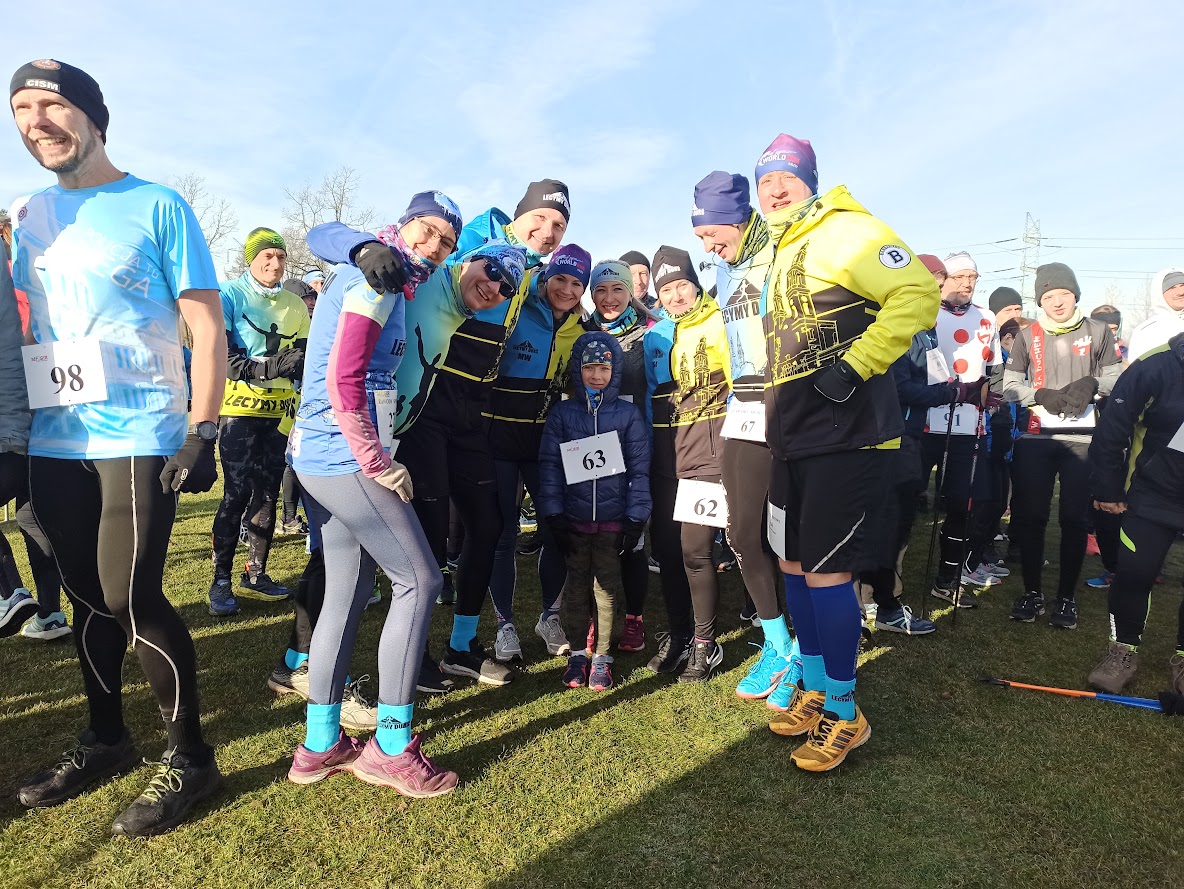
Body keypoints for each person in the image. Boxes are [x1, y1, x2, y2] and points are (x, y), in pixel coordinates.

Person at [9, 59, 224, 834]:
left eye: (52, 105)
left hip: (140, 432)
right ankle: (106, 736)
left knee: (132, 596)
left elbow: (206, 327)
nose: (36, 122)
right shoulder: (26, 215)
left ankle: (191, 756)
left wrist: (204, 428)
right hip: (52, 436)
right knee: (86, 598)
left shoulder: (159, 204)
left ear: (94, 118)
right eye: (21, 109)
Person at [757, 132, 939, 770]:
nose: (775, 190)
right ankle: (813, 687)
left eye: (787, 177)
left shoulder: (848, 229)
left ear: (810, 180)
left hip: (848, 435)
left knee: (827, 573)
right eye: (765, 180)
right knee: (792, 564)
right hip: (793, 437)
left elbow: (917, 294)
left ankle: (843, 711)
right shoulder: (781, 248)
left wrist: (856, 365)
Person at [285, 191, 463, 797]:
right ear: (403, 224)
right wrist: (376, 460)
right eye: (426, 231)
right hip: (346, 457)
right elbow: (345, 377)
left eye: (446, 241)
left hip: (321, 457)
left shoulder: (390, 280)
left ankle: (319, 741)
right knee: (420, 580)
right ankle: (390, 746)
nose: (433, 246)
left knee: (348, 589)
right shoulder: (377, 281)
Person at [308, 217, 529, 688]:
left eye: (507, 287)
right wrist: (363, 248)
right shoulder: (419, 276)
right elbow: (320, 234)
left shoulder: (454, 299)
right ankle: (303, 661)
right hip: (352, 439)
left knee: (366, 571)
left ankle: (454, 649)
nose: (494, 287)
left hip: (394, 432)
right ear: (467, 260)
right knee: (383, 567)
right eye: (491, 271)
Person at [689, 170, 801, 701]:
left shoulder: (779, 252)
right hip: (743, 409)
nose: (708, 246)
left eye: (713, 233)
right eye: (700, 237)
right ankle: (777, 645)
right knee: (740, 535)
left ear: (739, 219)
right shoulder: (723, 270)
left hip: (790, 408)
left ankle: (807, 652)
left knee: (792, 539)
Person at [1003, 262, 1122, 628]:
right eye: (1049, 296)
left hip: (1082, 439)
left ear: (1075, 295)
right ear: (1040, 300)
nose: (1057, 302)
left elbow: (1116, 378)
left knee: (1073, 518)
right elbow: (1009, 385)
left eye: (1064, 294)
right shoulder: (1028, 335)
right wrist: (1039, 393)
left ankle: (1066, 598)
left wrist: (1093, 384)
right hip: (1036, 437)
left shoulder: (1097, 331)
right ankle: (1032, 592)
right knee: (1032, 516)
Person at [486, 244, 590, 662]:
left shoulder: (581, 330)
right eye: (559, 278)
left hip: (545, 444)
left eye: (576, 283)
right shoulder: (517, 310)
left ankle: (550, 617)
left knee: (555, 530)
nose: (566, 289)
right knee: (503, 533)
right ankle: (504, 625)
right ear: (545, 278)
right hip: (498, 439)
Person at [538, 331, 651, 690]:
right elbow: (550, 467)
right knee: (575, 589)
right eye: (589, 368)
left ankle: (602, 656)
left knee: (606, 590)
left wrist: (635, 517)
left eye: (604, 368)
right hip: (573, 520)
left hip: (613, 521)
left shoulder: (628, 415)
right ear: (578, 370)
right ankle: (576, 654)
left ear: (615, 371)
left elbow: (639, 470)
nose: (597, 375)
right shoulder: (562, 414)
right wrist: (553, 514)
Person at [208, 229, 310, 614]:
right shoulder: (229, 294)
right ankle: (220, 581)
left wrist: (295, 364)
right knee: (235, 494)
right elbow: (223, 356)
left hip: (280, 415)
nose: (275, 263)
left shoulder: (295, 304)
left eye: (280, 257)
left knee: (268, 494)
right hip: (239, 412)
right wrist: (269, 368)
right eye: (267, 256)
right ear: (250, 259)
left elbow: (304, 354)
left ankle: (256, 573)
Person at [643, 246, 732, 682]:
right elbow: (650, 398)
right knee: (666, 551)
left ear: (695, 285)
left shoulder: (719, 321)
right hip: (665, 462)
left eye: (682, 285)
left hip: (708, 458)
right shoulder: (655, 336)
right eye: (666, 289)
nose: (675, 296)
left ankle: (704, 642)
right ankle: (678, 634)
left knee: (696, 551)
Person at [856, 254, 952, 636]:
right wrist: (948, 393)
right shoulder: (895, 323)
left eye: (940, 287)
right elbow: (898, 388)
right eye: (933, 285)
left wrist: (948, 389)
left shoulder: (927, 330)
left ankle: (885, 603)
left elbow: (924, 379)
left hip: (911, 436)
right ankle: (869, 603)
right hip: (885, 438)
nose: (937, 294)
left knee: (899, 524)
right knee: (879, 523)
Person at [1086, 332, 1184, 694]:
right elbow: (1115, 424)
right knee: (1134, 574)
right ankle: (1122, 651)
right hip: (1154, 493)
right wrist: (1108, 487)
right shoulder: (1157, 363)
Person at [922, 251, 1006, 605]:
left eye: (973, 277)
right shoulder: (926, 312)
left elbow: (994, 371)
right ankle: (882, 591)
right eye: (960, 277)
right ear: (944, 280)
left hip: (969, 427)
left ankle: (947, 580)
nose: (967, 283)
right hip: (924, 423)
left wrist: (990, 396)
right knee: (905, 503)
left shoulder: (986, 318)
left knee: (961, 506)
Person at [584, 260, 654, 651]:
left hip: (634, 448)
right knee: (594, 538)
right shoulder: (582, 332)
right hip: (591, 449)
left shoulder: (650, 332)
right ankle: (596, 619)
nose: (609, 298)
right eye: (601, 289)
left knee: (632, 539)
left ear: (630, 292)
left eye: (617, 289)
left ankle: (633, 620)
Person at [1127, 268, 1184, 360]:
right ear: (1159, 294)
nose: (1181, 292)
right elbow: (1138, 367)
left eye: (1183, 285)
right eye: (1172, 287)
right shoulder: (1146, 331)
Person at [620, 250, 658, 315]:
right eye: (631, 274)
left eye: (643, 274)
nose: (638, 281)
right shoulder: (609, 310)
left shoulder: (663, 311)